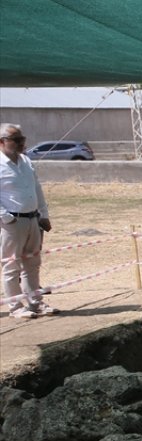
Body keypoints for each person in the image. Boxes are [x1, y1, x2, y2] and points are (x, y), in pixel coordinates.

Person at [1, 123, 56, 318]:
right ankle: (15, 307)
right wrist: (6, 218)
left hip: (33, 220)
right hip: (12, 223)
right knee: (11, 266)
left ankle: (36, 303)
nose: (21, 143)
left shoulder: (25, 160)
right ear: (2, 142)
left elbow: (37, 189)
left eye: (22, 139)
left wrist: (44, 215)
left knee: (32, 264)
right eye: (16, 140)